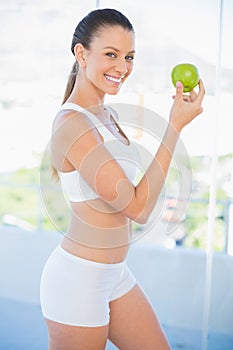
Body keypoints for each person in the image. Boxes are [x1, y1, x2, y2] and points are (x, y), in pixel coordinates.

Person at [40, 8, 205, 350]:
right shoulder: (73, 124)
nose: (122, 67)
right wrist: (173, 125)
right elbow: (137, 207)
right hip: (78, 281)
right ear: (81, 53)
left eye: (129, 56)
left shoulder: (107, 115)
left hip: (113, 275)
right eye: (111, 55)